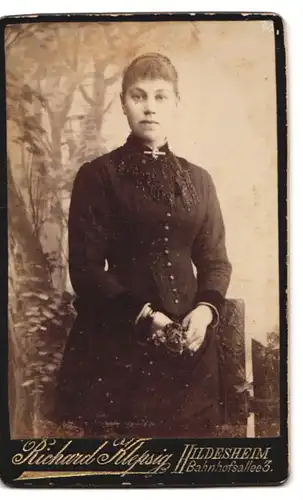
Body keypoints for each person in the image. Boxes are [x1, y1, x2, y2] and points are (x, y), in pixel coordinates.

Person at [54, 52, 232, 438]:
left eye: (160, 96)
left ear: (176, 103)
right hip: (120, 348)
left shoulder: (199, 180)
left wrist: (203, 313)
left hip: (192, 352)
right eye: (138, 96)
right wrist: (147, 317)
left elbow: (216, 261)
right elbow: (84, 270)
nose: (149, 107)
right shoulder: (98, 176)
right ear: (123, 103)